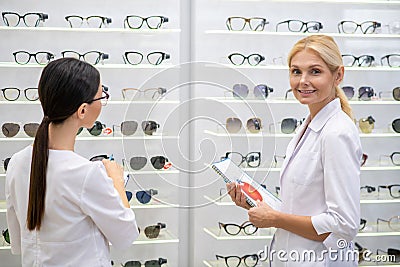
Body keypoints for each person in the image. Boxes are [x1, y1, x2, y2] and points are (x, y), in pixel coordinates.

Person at [227, 35, 362, 266]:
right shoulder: (309, 124)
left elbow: (343, 225)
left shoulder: (336, 133)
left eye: (315, 72)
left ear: (338, 75)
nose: (303, 81)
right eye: (296, 71)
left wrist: (275, 218)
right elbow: (304, 204)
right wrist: (257, 204)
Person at [5, 58, 139, 266]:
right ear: (83, 110)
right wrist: (116, 181)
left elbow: (18, 243)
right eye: (101, 95)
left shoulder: (16, 162)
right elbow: (126, 235)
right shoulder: (86, 174)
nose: (103, 101)